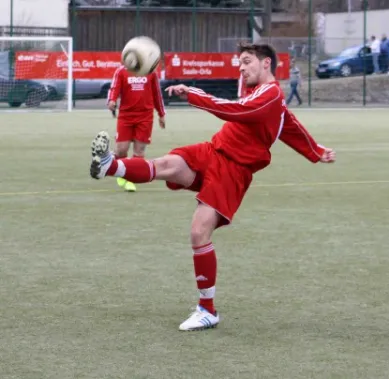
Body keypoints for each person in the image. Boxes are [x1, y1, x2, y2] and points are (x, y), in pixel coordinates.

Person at [89, 43, 336, 331]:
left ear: (267, 63)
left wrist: (194, 94)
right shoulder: (265, 96)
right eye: (239, 63)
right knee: (168, 164)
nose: (241, 68)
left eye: (246, 62)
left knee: (198, 232)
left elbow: (234, 110)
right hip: (214, 150)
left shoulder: (269, 94)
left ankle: (207, 310)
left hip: (233, 169)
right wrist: (315, 150)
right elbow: (289, 124)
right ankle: (109, 166)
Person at [107, 64, 166, 192]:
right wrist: (112, 100)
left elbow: (157, 94)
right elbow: (114, 88)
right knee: (121, 149)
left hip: (145, 117)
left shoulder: (151, 72)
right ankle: (117, 165)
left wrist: (161, 114)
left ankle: (130, 180)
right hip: (126, 116)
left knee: (139, 152)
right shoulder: (121, 71)